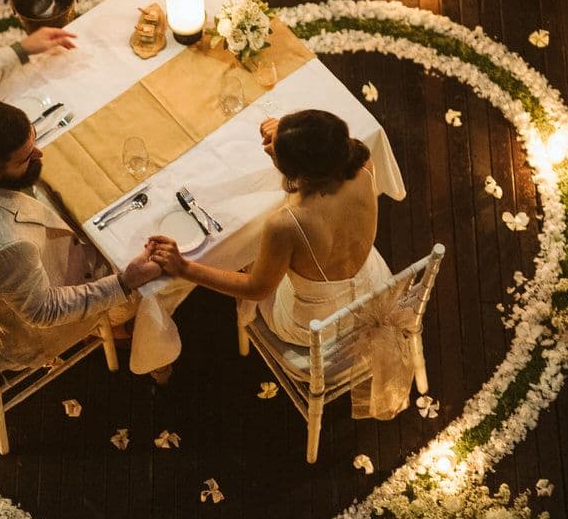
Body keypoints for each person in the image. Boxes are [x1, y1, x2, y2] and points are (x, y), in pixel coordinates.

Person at [0, 26, 159, 407]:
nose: (39, 156)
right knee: (138, 285)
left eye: (32, 143)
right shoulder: (4, 243)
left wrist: (20, 49)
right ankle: (125, 330)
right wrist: (123, 283)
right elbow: (43, 310)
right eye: (25, 158)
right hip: (19, 322)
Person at [147, 108, 391, 343]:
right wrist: (289, 134)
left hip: (319, 327)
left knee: (244, 246)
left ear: (293, 171)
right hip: (376, 288)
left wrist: (183, 268)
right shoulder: (361, 162)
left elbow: (256, 289)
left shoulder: (287, 223)